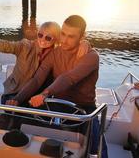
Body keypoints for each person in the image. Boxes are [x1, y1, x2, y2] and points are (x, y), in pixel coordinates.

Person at [12, 15, 108, 157]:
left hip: (84, 109)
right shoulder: (55, 53)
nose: (64, 40)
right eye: (63, 33)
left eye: (71, 36)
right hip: (55, 104)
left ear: (82, 36)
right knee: (17, 124)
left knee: (96, 147)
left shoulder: (92, 56)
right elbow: (37, 79)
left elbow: (69, 78)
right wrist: (17, 98)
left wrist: (45, 93)